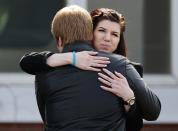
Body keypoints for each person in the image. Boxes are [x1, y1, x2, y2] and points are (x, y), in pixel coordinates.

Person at [20, 6, 161, 131]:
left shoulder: (124, 67)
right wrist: (72, 58)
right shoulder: (120, 65)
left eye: (115, 34)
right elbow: (27, 61)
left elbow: (137, 123)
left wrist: (129, 98)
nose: (107, 38)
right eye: (101, 31)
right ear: (89, 33)